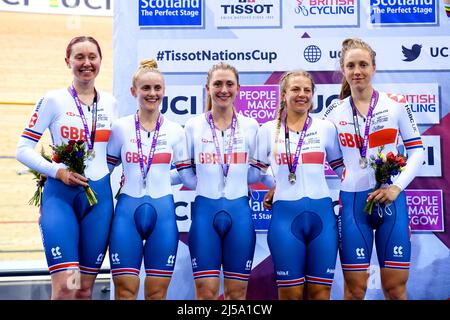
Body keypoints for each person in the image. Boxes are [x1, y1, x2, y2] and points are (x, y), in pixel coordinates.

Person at [323, 38, 425, 300]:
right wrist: (348, 176)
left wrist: (395, 187)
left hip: (392, 202)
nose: (357, 71)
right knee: (355, 290)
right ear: (344, 70)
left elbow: (417, 151)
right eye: (351, 65)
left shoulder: (396, 103)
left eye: (363, 65)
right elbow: (331, 156)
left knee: (395, 289)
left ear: (374, 67)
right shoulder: (334, 112)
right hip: (353, 204)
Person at [16, 36, 116, 299]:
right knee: (66, 287)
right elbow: (22, 149)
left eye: (92, 57)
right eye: (79, 57)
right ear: (67, 61)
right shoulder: (53, 100)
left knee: (83, 291)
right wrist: (57, 171)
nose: (86, 63)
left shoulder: (111, 103)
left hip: (99, 200)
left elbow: (114, 153)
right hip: (61, 197)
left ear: (100, 61)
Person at [106, 59, 196, 300]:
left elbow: (185, 174)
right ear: (134, 91)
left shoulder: (177, 130)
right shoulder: (120, 128)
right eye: (146, 88)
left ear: (164, 92)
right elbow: (103, 167)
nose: (152, 93)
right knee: (125, 292)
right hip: (127, 214)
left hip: (163, 215)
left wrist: (217, 175)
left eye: (157, 88)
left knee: (156, 293)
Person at [251, 70, 344, 300]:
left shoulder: (325, 128)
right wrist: (276, 185)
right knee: (290, 294)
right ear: (284, 94)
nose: (301, 94)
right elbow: (255, 172)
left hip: (322, 218)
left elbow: (344, 170)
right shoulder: (267, 131)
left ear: (312, 95)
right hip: (285, 220)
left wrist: (377, 184)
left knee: (320, 294)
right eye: (295, 89)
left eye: (307, 90)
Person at [184, 62, 272, 300]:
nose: (224, 89)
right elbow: (184, 173)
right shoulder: (193, 125)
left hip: (239, 215)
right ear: (207, 88)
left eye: (229, 84)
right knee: (205, 294)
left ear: (238, 88)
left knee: (236, 294)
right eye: (218, 84)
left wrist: (279, 187)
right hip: (205, 215)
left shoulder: (251, 126)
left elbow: (258, 173)